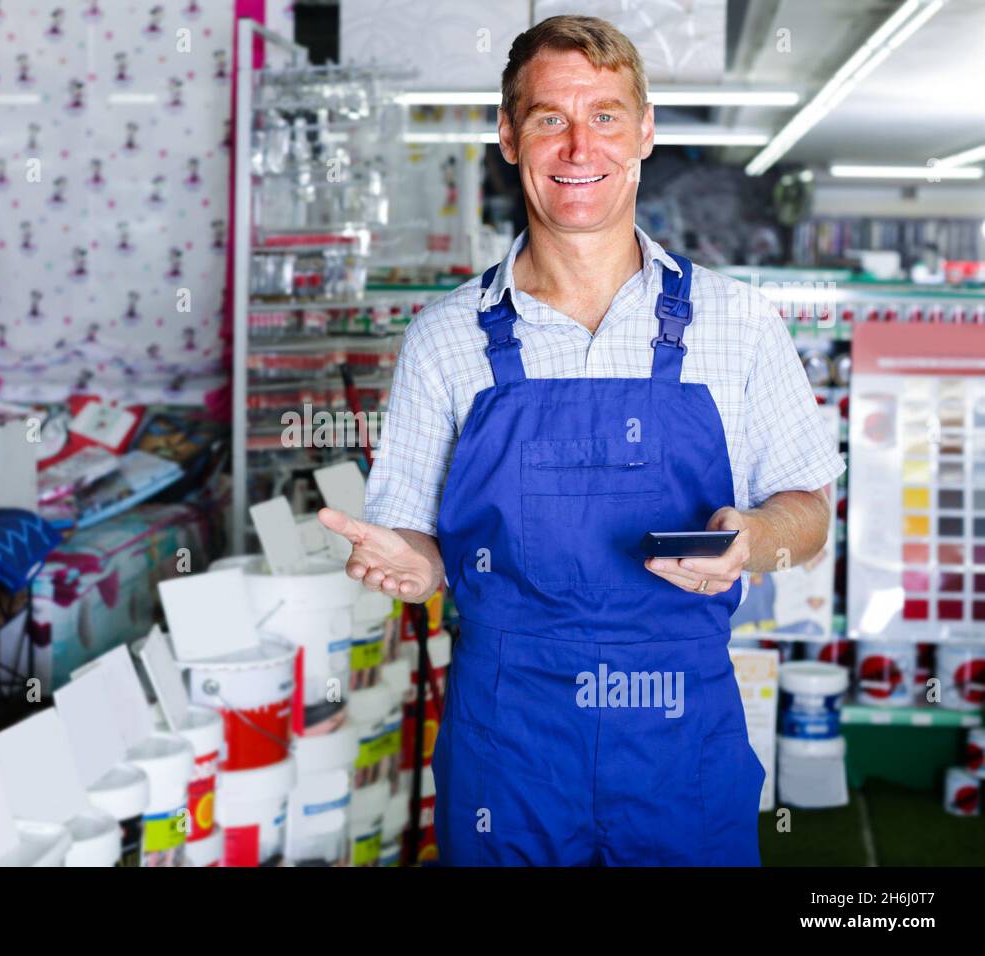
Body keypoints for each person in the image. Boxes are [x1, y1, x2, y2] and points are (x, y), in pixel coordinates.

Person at [318, 14, 844, 866]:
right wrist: (412, 564)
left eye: (604, 115)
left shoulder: (739, 322)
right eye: (548, 119)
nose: (577, 146)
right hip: (509, 744)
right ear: (507, 136)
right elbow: (417, 542)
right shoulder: (446, 337)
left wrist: (753, 542)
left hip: (681, 736)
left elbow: (810, 519)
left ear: (643, 131)